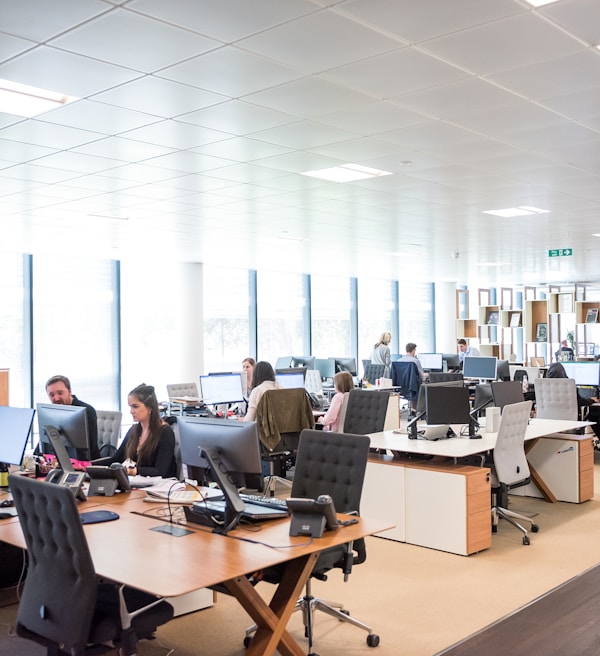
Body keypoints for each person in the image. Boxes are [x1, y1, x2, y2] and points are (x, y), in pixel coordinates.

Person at [106, 384, 176, 478]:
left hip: (160, 487)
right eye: (130, 407)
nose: (131, 411)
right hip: (140, 483)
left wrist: (133, 471)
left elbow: (160, 471)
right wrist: (87, 465)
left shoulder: (165, 432)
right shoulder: (134, 430)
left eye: (135, 407)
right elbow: (116, 459)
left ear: (150, 408)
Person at [45, 375, 100, 461]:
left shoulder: (86, 411)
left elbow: (90, 447)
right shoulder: (52, 413)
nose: (56, 398)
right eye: (51, 395)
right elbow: (45, 440)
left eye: (60, 393)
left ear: (69, 391)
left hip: (86, 464)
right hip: (60, 461)